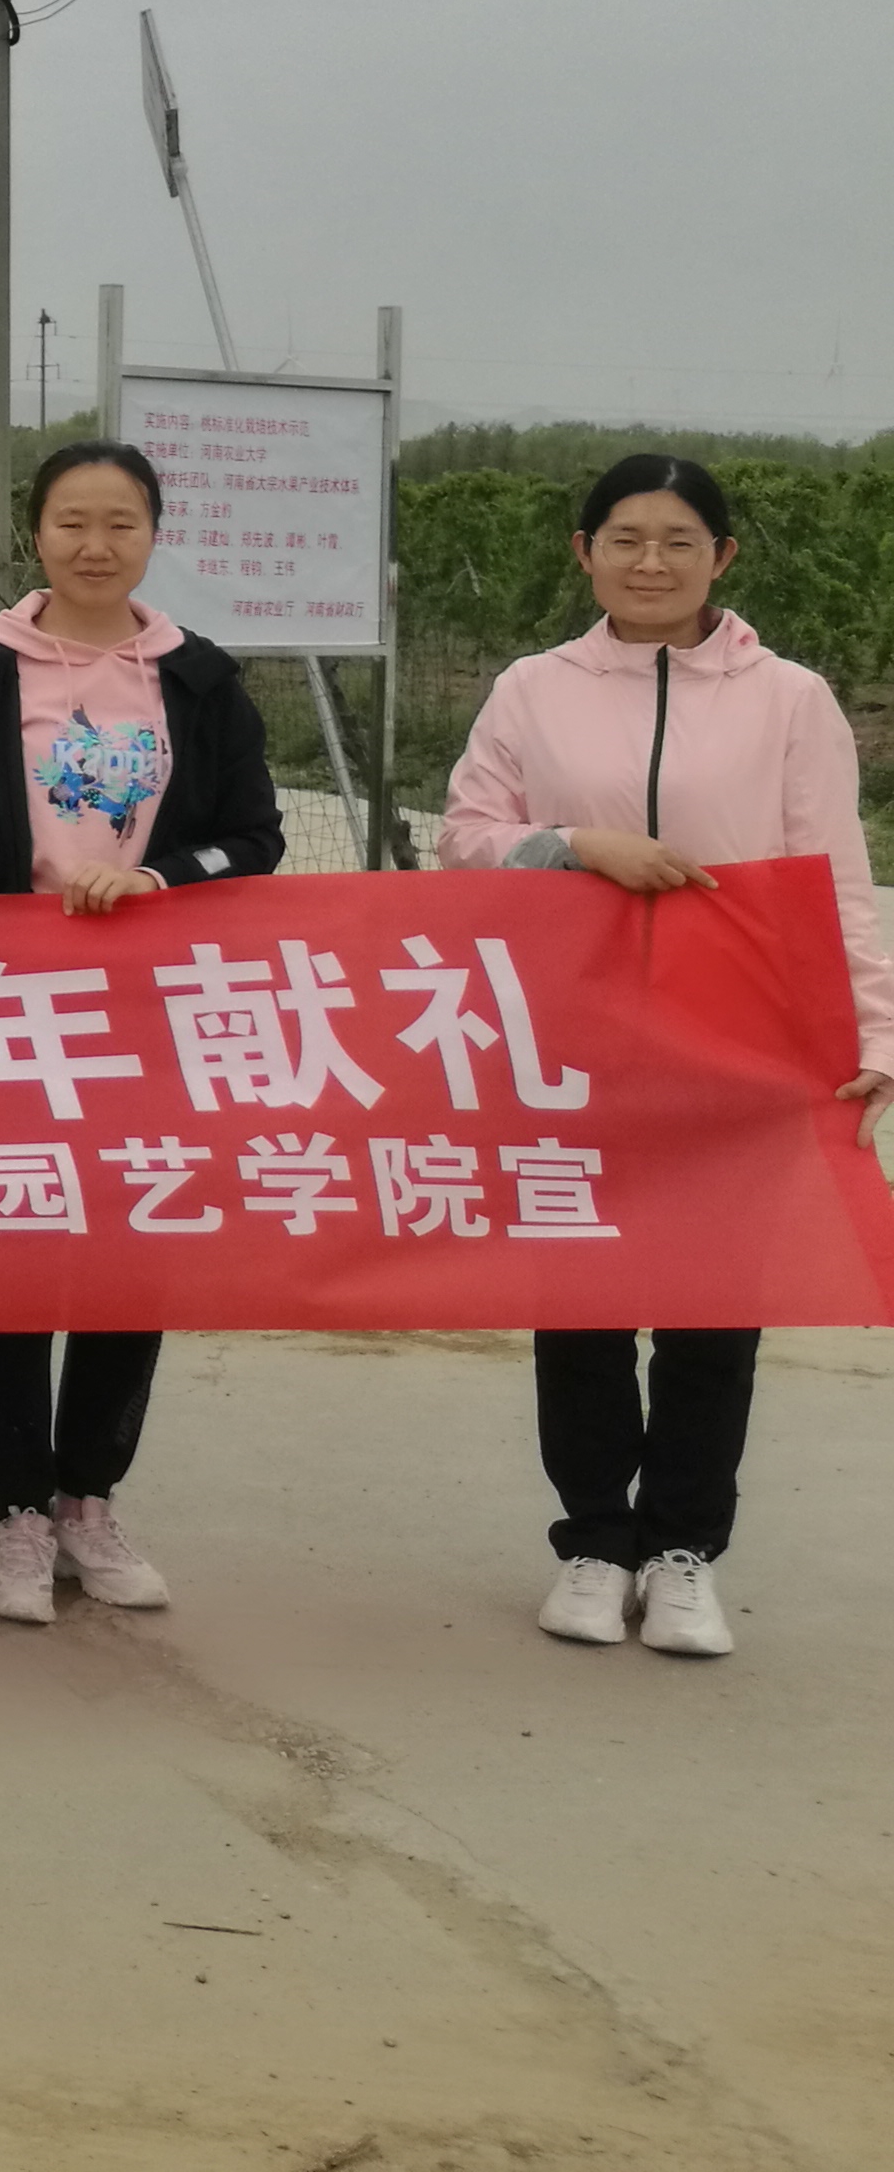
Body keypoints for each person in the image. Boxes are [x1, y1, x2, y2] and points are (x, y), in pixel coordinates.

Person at [440, 454, 894, 1660]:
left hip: (735, 1042)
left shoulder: (789, 699)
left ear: (721, 559)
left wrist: (872, 1033)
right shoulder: (533, 689)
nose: (652, 562)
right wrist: (577, 845)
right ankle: (594, 1542)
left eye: (680, 540)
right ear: (584, 553)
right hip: (570, 1040)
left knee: (713, 1307)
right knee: (582, 1300)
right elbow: (466, 838)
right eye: (626, 539)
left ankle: (684, 1551)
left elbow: (834, 877)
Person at [0, 438, 283, 1628]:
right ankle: (17, 1512)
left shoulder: (199, 678)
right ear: (37, 534)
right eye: (73, 521)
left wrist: (160, 881)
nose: (96, 544)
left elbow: (254, 838)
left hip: (152, 1017)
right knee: (16, 1249)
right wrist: (9, 938)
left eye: (121, 522)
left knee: (132, 1248)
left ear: (154, 536)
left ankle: (89, 1499)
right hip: (15, 1015)